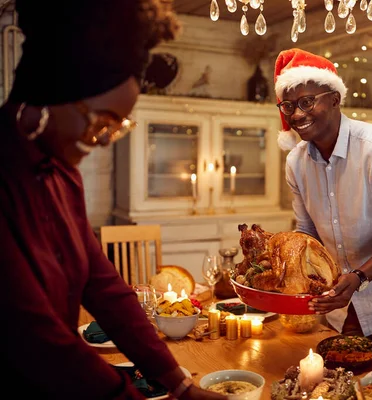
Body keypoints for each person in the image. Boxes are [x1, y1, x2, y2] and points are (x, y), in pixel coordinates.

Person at [0, 1, 225, 399]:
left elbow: (103, 285)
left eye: (115, 128)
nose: (104, 141)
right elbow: (37, 343)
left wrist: (180, 384)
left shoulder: (62, 173)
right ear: (56, 88)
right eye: (102, 122)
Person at [274, 48, 372, 365]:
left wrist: (359, 277)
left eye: (307, 102)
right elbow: (306, 232)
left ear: (335, 98)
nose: (296, 114)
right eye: (289, 105)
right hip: (340, 305)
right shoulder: (296, 162)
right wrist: (291, 273)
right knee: (346, 385)